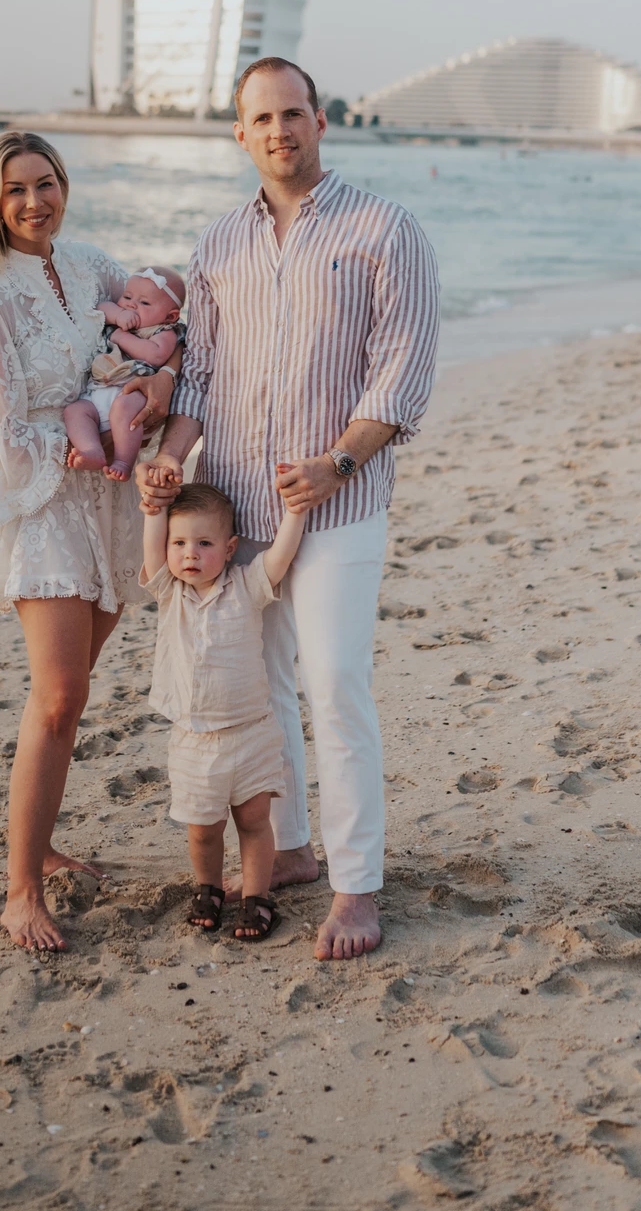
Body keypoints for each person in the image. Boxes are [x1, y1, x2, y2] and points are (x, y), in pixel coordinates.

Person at [137, 59, 440, 961]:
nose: (279, 131)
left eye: (293, 114)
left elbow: (403, 368)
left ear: (319, 121)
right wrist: (168, 455)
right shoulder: (218, 242)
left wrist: (338, 461)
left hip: (339, 507)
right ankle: (295, 849)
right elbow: (199, 373)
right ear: (240, 133)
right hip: (234, 507)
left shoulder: (387, 229)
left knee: (334, 686)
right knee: (260, 691)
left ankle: (356, 888)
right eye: (260, 118)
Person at [0, 131, 178, 952]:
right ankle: (20, 888)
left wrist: (154, 389)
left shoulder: (97, 266)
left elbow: (158, 334)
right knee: (57, 698)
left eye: (46, 182)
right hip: (49, 511)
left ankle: (44, 845)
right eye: (16, 190)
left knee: (71, 698)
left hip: (110, 505)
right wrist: (71, 448)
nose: (35, 201)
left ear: (64, 186)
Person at [140, 480, 306, 941]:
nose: (189, 553)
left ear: (231, 548)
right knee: (203, 830)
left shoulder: (247, 585)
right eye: (180, 543)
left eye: (204, 543)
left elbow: (280, 557)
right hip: (193, 740)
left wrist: (295, 511)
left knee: (254, 823)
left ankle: (256, 898)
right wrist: (155, 507)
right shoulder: (171, 593)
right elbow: (154, 550)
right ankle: (208, 888)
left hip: (251, 733)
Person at [63, 265, 185, 482]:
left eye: (144, 302)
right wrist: (118, 315)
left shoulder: (164, 331)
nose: (131, 304)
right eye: (127, 296)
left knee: (123, 408)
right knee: (76, 411)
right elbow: (101, 307)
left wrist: (121, 337)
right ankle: (92, 450)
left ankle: (123, 461)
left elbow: (155, 355)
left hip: (131, 393)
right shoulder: (120, 317)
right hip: (98, 392)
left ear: (170, 316)